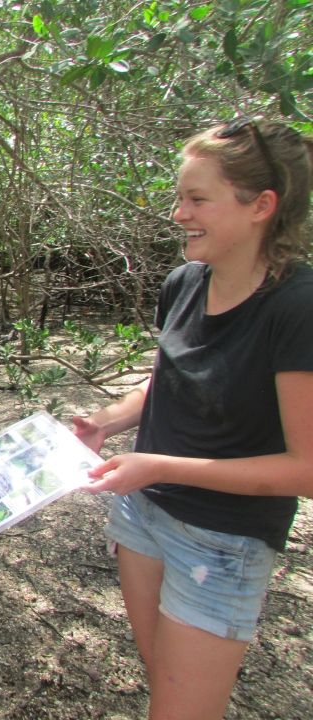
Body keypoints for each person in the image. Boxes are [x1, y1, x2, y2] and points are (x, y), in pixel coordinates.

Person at [73, 117, 313, 720]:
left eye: (197, 199)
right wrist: (109, 421)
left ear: (261, 205)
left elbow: (305, 469)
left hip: (222, 539)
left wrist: (157, 464)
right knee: (166, 687)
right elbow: (173, 378)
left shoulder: (297, 307)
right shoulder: (184, 281)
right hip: (143, 513)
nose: (179, 213)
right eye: (179, 197)